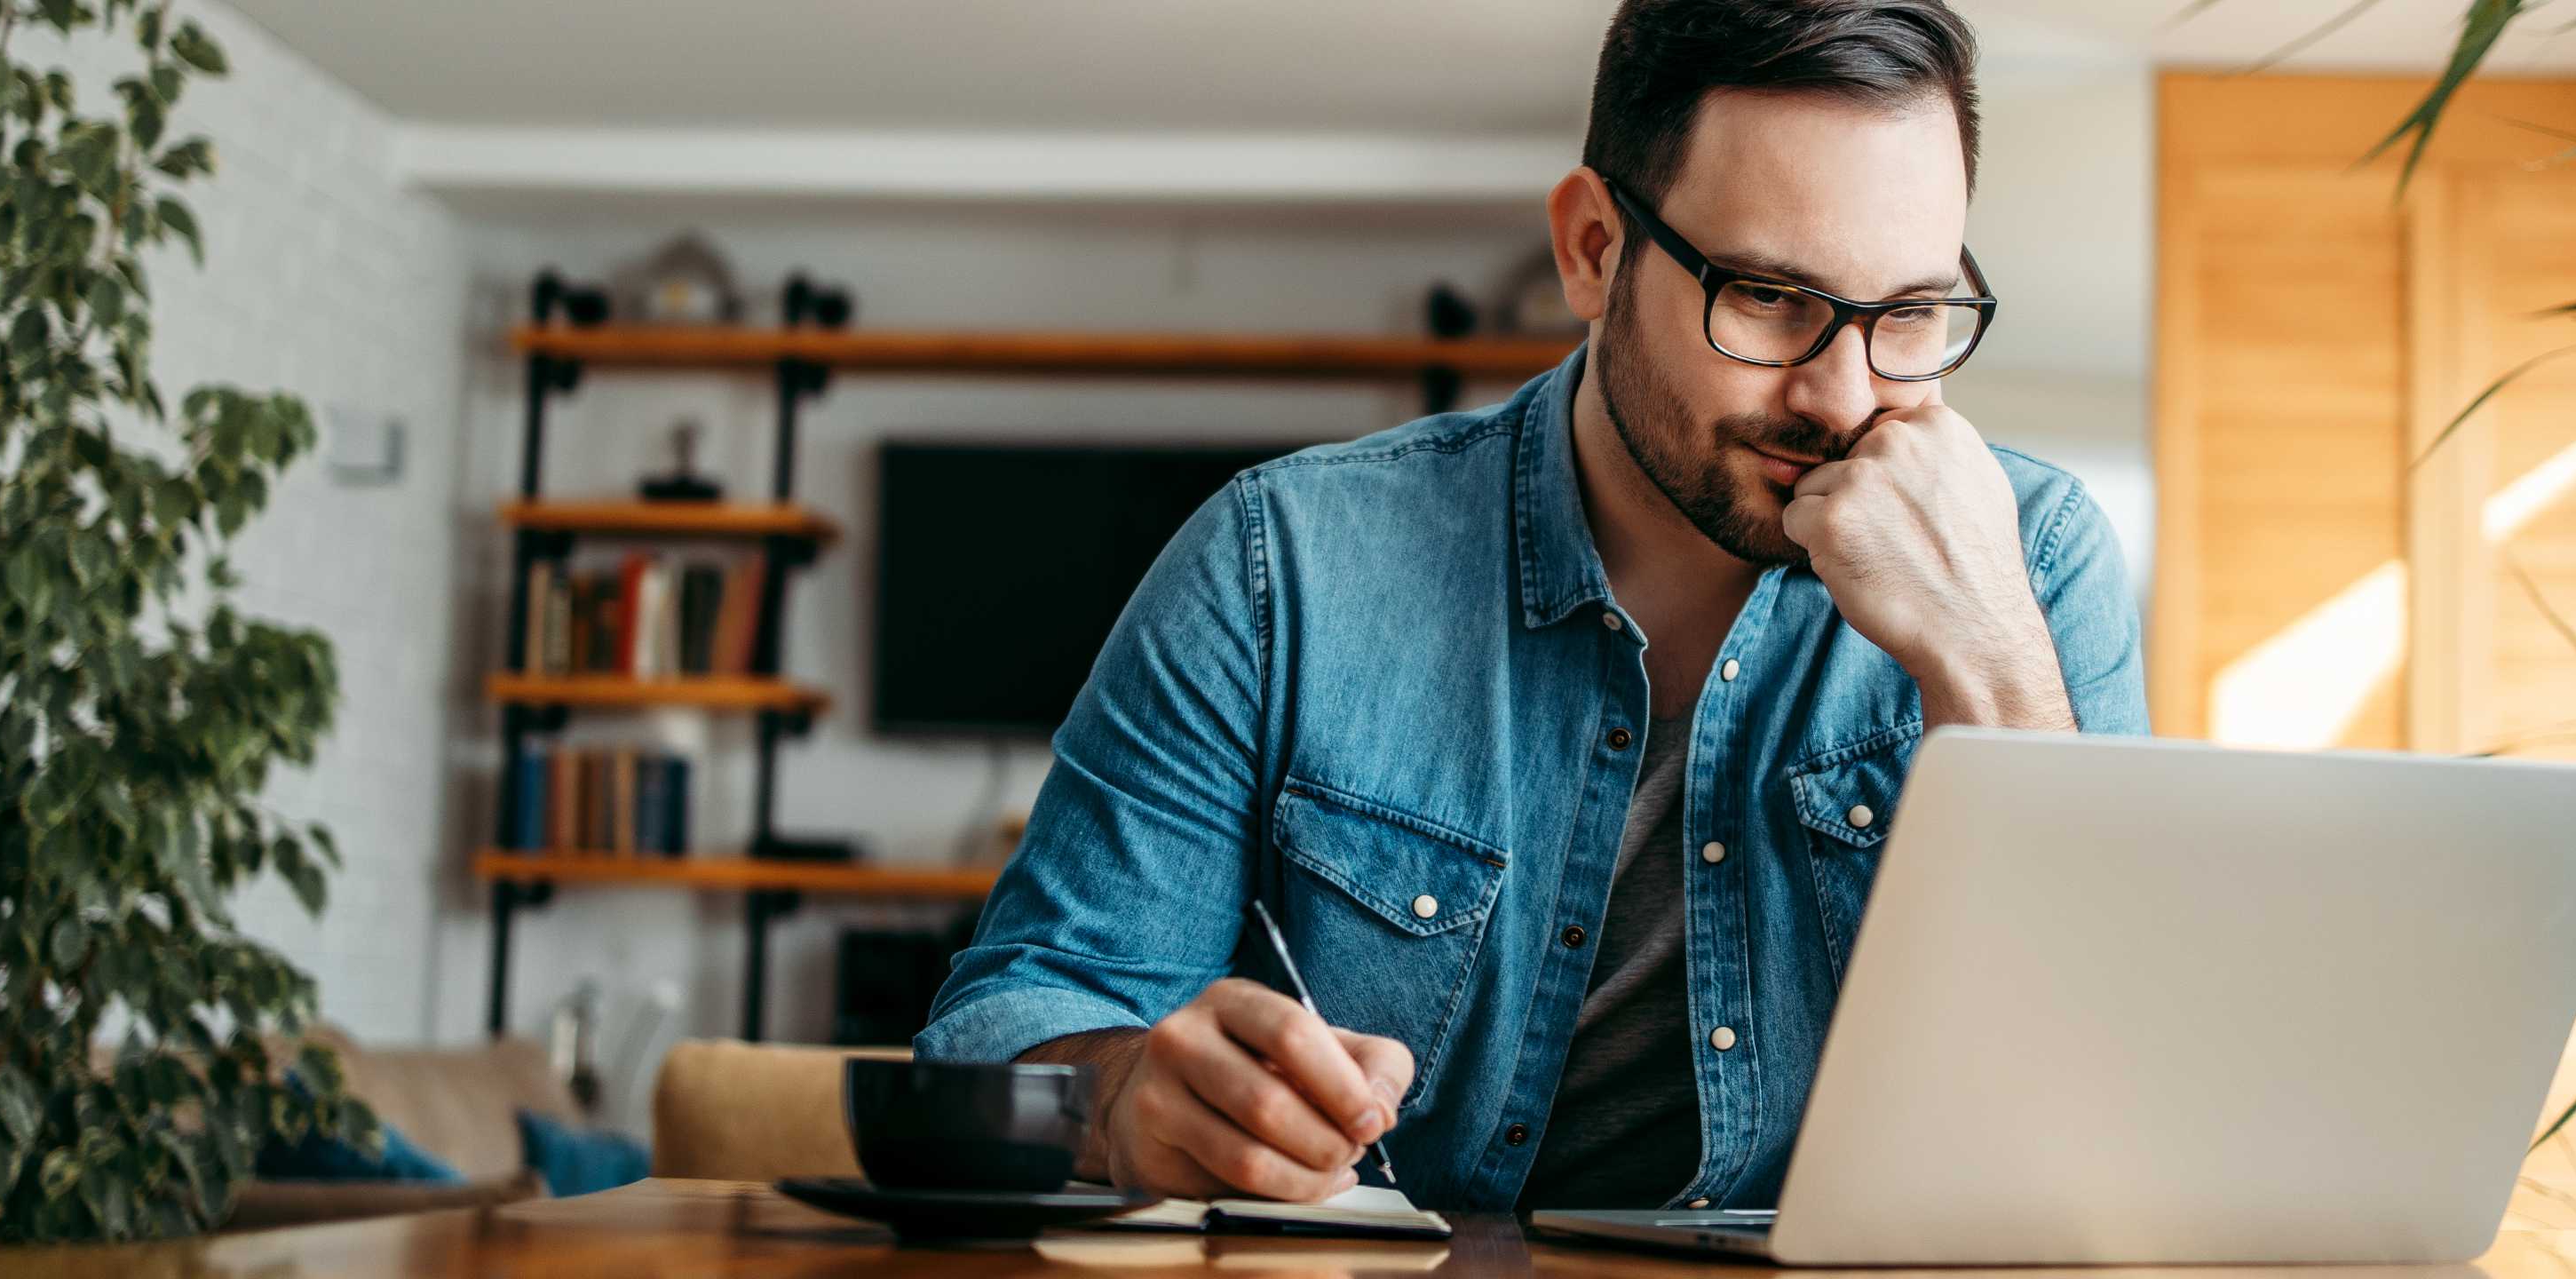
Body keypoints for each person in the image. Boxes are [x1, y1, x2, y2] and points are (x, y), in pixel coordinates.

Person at [915, 0, 2144, 1214]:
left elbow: (2122, 1103)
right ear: (1594, 252)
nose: (1843, 393)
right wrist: (1127, 1093)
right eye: (1770, 296)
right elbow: (999, 1032)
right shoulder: (1280, 564)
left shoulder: (2032, 560)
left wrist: (1987, 666)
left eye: (1912, 314)